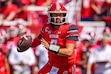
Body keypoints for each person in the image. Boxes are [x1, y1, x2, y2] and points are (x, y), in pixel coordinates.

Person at [20, 3, 79, 74]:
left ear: (64, 15)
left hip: (66, 67)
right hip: (52, 64)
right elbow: (36, 42)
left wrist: (51, 47)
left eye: (60, 15)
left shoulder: (70, 28)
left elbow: (69, 52)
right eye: (55, 14)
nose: (58, 17)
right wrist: (26, 41)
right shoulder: (46, 28)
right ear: (50, 15)